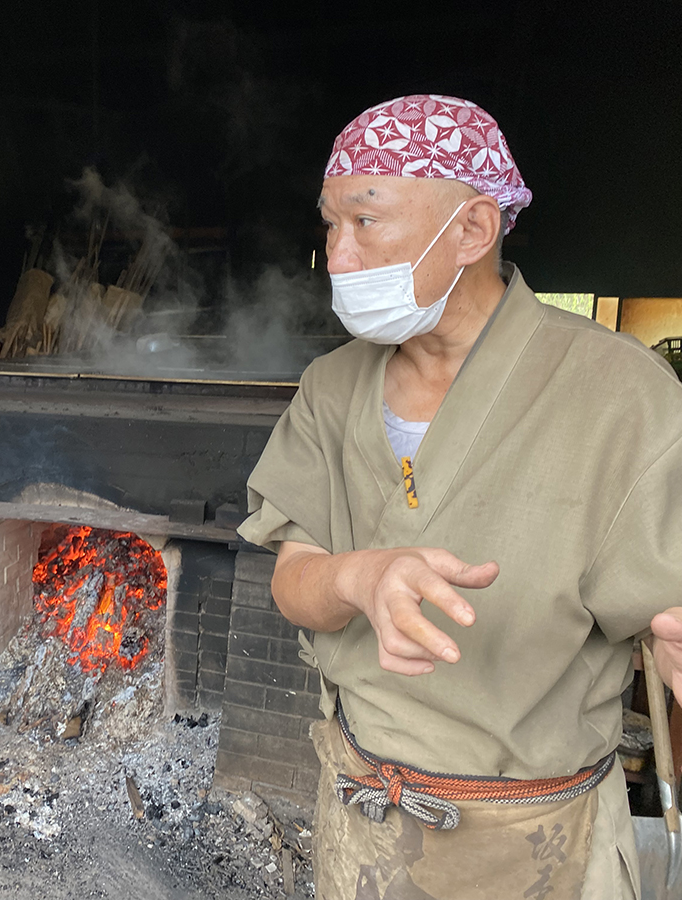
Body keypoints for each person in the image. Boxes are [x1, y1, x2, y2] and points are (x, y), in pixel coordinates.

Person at [239, 94, 682, 899]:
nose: (336, 256)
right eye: (330, 225)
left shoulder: (622, 394)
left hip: (539, 841)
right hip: (363, 821)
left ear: (474, 230)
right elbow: (291, 576)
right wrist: (356, 579)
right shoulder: (332, 388)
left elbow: (669, 619)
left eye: (365, 221)